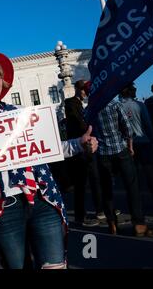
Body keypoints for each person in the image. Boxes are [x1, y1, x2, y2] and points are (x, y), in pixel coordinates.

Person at [0, 52, 98, 269]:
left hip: (41, 198)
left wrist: (79, 144)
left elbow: (49, 148)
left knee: (54, 265)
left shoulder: (21, 112)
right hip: (4, 205)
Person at [92, 88, 153, 237]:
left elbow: (90, 131)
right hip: (120, 150)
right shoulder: (115, 105)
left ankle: (112, 223)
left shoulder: (91, 109)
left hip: (103, 153)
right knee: (132, 186)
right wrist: (130, 146)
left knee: (107, 189)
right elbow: (127, 128)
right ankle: (138, 224)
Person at [64, 80, 103, 226]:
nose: (86, 93)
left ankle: (100, 210)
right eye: (84, 91)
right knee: (80, 183)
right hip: (78, 148)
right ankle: (80, 215)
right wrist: (88, 125)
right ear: (77, 89)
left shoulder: (81, 104)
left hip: (86, 147)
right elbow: (78, 122)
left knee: (94, 178)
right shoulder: (71, 103)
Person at [119, 83, 153, 204]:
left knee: (132, 174)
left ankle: (136, 200)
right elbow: (148, 124)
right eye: (134, 89)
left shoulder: (119, 106)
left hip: (127, 144)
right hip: (143, 141)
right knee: (149, 170)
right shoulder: (140, 105)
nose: (136, 90)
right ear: (130, 91)